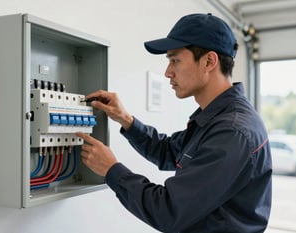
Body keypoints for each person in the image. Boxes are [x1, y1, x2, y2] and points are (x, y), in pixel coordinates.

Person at [76, 13, 272, 233]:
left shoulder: (232, 131)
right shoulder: (216, 118)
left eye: (175, 60)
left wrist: (112, 169)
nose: (168, 72)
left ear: (209, 61)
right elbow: (169, 152)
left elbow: (168, 211)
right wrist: (126, 120)